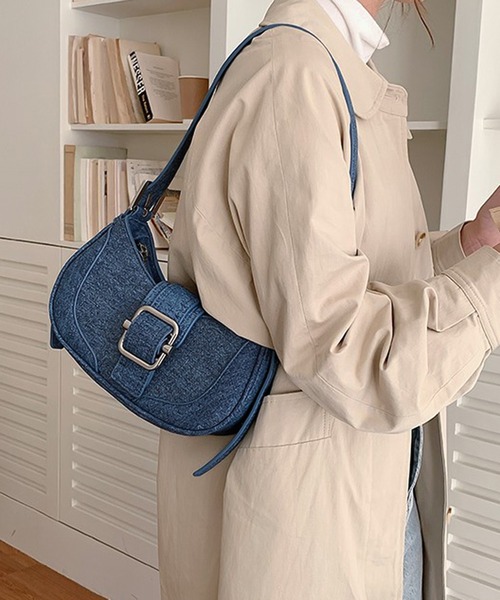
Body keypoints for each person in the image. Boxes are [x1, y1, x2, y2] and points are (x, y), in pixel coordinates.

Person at [157, 0, 500, 598]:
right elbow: (343, 349)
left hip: (362, 486)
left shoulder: (325, 65)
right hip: (309, 514)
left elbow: (358, 277)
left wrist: (471, 245)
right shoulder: (294, 76)